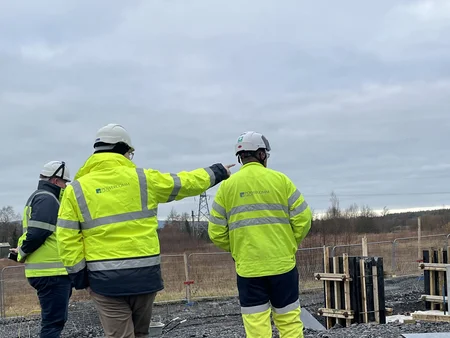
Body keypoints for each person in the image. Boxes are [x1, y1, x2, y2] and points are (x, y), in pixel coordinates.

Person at [55, 123, 234, 338]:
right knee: (141, 334)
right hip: (145, 276)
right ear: (123, 150)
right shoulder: (144, 179)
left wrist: (79, 276)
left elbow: (66, 237)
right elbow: (184, 183)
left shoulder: (76, 189)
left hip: (105, 281)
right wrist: (216, 172)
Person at [207, 131, 312, 338]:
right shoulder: (281, 180)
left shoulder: (227, 187)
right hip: (283, 265)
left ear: (241, 157)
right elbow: (304, 219)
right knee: (289, 320)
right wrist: (289, 243)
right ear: (261, 154)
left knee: (256, 325)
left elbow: (216, 232)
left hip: (249, 268)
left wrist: (239, 248)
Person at [10, 161, 73, 338]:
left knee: (53, 321)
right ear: (55, 181)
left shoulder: (40, 197)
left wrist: (21, 249)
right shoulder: (47, 198)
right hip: (52, 273)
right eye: (64, 182)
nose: (66, 186)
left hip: (48, 272)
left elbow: (34, 232)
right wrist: (22, 252)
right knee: (53, 324)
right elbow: (38, 233)